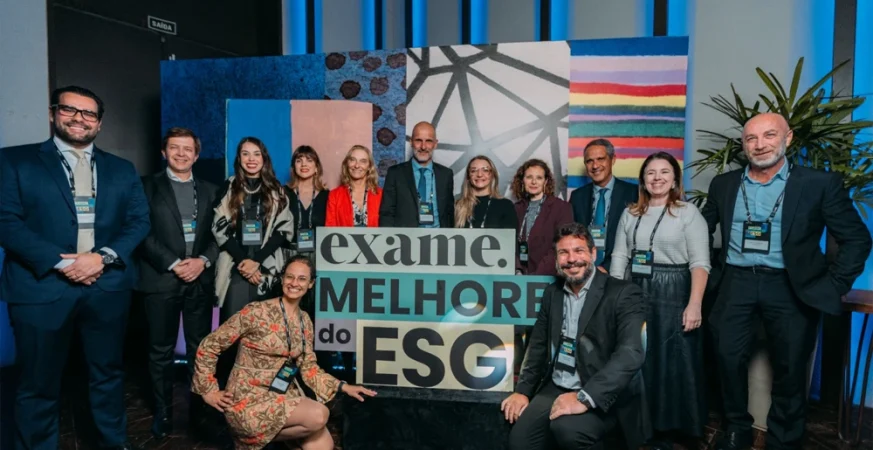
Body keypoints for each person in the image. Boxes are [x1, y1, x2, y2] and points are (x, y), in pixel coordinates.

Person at [701, 113, 871, 450]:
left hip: (790, 287)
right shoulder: (724, 184)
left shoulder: (819, 183)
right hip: (736, 282)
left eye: (769, 135)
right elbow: (699, 231)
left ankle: (783, 439)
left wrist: (832, 285)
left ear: (788, 138)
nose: (759, 144)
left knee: (791, 367)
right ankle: (737, 428)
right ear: (743, 144)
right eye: (751, 138)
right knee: (726, 357)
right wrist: (707, 272)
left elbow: (857, 239)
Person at [0, 85, 150, 450]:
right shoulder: (14, 161)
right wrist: (60, 263)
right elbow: (6, 221)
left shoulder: (122, 169)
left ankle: (112, 443)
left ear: (99, 123)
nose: (79, 118)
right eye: (70, 109)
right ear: (53, 113)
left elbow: (138, 221)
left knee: (108, 375)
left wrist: (102, 257)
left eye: (88, 113)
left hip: (106, 287)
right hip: (41, 289)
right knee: (37, 382)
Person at [192, 255, 377, 450]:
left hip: (281, 395)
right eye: (290, 277)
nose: (294, 283)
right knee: (319, 415)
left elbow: (309, 368)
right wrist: (208, 391)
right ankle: (247, 439)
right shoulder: (256, 312)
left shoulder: (305, 321)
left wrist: (343, 387)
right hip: (247, 400)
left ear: (311, 284)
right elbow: (210, 345)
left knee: (323, 445)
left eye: (302, 279)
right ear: (282, 279)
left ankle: (258, 440)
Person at [501, 223, 650, 450]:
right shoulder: (552, 294)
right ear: (556, 259)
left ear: (593, 254)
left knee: (567, 429)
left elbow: (630, 353)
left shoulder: (623, 293)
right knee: (520, 441)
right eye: (564, 252)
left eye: (579, 251)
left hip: (600, 390)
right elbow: (538, 346)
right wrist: (522, 391)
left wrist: (584, 397)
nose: (572, 259)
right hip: (558, 384)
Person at [609, 152, 710, 448]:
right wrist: (613, 298)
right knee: (639, 357)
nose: (657, 178)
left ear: (675, 179)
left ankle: (672, 429)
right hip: (635, 288)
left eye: (664, 172)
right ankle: (641, 426)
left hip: (674, 291)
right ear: (642, 179)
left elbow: (700, 263)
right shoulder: (630, 213)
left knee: (673, 360)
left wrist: (695, 304)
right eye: (651, 172)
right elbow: (620, 256)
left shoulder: (688, 213)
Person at [138, 127, 220, 438]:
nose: (181, 154)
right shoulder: (146, 186)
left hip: (199, 280)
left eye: (188, 149)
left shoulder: (212, 190)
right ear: (164, 152)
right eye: (175, 147)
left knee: (200, 350)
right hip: (161, 280)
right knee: (161, 350)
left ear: (196, 155)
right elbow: (140, 231)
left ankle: (200, 413)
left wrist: (203, 261)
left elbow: (221, 234)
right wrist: (173, 263)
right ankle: (163, 413)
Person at [212, 136, 294, 322]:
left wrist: (256, 261)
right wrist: (244, 262)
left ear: (264, 158)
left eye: (256, 154)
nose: (251, 159)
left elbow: (283, 230)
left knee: (265, 327)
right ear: (239, 158)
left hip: (266, 265)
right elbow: (219, 227)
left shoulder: (276, 190)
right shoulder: (229, 187)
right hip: (235, 266)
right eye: (245, 154)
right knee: (233, 326)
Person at [569, 139, 639, 270]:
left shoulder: (633, 193)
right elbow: (573, 238)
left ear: (613, 159)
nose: (595, 166)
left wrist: (607, 267)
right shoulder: (577, 196)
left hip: (621, 269)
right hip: (586, 270)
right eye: (589, 161)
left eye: (601, 159)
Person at [379, 121, 454, 228]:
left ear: (435, 144)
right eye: (418, 140)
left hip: (438, 237)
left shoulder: (446, 175)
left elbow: (449, 214)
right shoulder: (395, 173)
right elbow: (387, 214)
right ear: (411, 142)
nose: (423, 147)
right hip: (406, 237)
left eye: (428, 141)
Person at [511, 159, 573, 276]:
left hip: (547, 276)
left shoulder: (561, 208)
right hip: (518, 277)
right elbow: (509, 244)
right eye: (529, 177)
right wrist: (518, 271)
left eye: (539, 178)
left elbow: (561, 247)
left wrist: (536, 276)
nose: (534, 182)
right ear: (522, 180)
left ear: (546, 182)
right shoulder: (515, 208)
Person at [285, 145, 329, 257]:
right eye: (299, 161)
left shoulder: (327, 196)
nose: (304, 164)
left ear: (316, 167)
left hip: (319, 255)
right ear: (294, 167)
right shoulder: (283, 193)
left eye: (309, 160)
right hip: (289, 254)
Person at [326, 145, 382, 227]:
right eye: (352, 160)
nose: (357, 165)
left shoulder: (381, 195)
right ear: (347, 164)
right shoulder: (334, 195)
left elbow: (386, 228)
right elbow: (330, 229)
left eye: (363, 161)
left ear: (369, 167)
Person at [453, 156, 516, 229]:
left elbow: (511, 235)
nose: (479, 174)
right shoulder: (457, 206)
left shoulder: (506, 205)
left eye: (485, 170)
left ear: (492, 175)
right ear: (468, 176)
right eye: (473, 170)